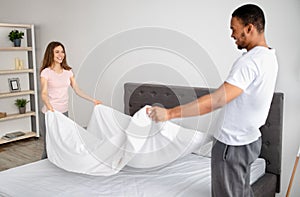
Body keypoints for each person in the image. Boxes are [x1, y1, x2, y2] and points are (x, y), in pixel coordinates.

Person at [147, 4, 278, 197]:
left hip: (233, 146)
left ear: (249, 28)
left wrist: (169, 113)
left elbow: (216, 100)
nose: (232, 35)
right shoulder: (269, 57)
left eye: (234, 29)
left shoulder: (250, 62)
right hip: (248, 141)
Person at [40, 41, 102, 159]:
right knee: (49, 147)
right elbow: (43, 93)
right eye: (57, 52)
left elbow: (77, 90)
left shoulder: (68, 72)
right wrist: (50, 108)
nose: (61, 55)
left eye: (62, 52)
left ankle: (59, 171)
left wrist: (93, 100)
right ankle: (41, 173)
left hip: (63, 113)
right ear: (50, 54)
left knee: (63, 144)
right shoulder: (46, 72)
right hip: (49, 113)